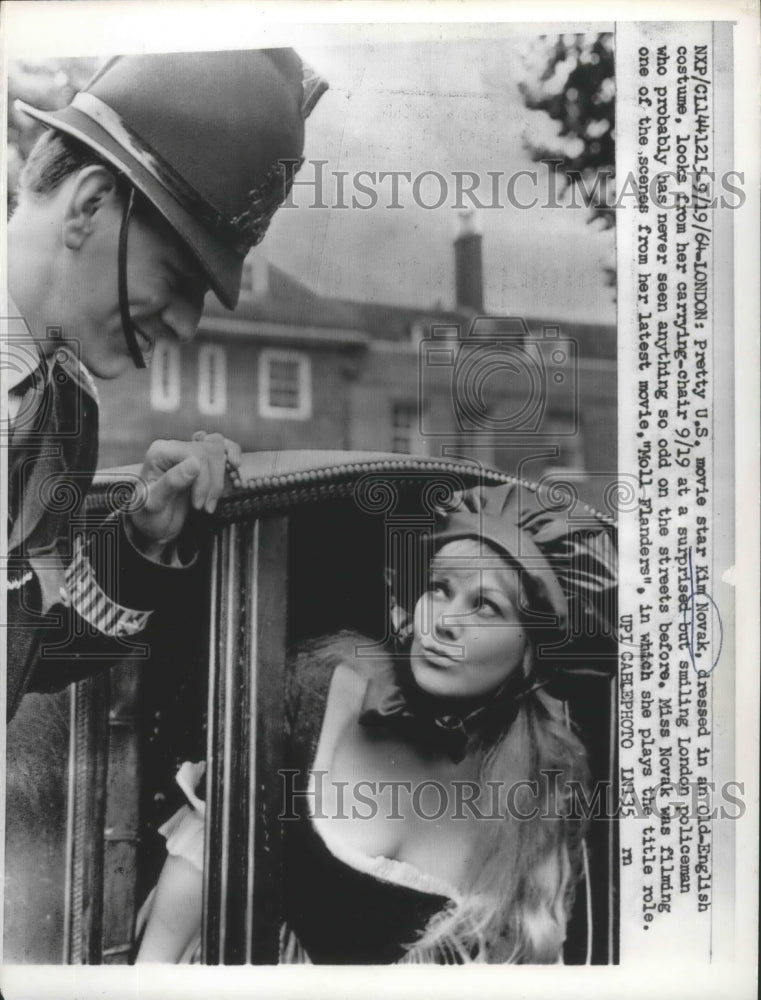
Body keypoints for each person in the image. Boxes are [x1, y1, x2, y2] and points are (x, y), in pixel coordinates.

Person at [135, 481, 617, 964]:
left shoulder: (545, 783)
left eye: (485, 605)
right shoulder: (319, 690)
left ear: (533, 653)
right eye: (440, 588)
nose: (444, 621)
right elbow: (200, 871)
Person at [3, 49, 328, 719]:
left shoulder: (64, 404)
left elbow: (28, 660)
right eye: (178, 279)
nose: (184, 324)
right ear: (89, 206)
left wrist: (140, 543)